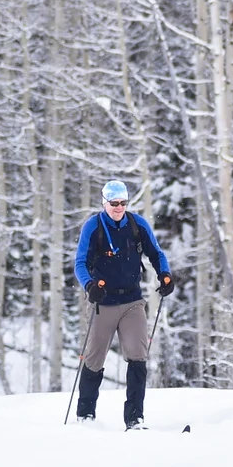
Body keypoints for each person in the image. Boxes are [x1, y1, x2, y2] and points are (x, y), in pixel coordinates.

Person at [73, 180, 174, 430]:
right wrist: (89, 286)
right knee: (94, 360)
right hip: (102, 303)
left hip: (132, 302)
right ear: (104, 203)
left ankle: (134, 418)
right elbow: (80, 264)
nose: (119, 208)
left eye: (123, 203)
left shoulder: (137, 225)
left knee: (138, 357)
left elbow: (156, 253)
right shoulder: (93, 227)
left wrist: (165, 274)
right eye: (114, 203)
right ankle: (85, 415)